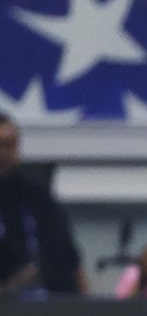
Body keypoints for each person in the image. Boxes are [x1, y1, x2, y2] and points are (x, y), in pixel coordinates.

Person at [0, 112, 87, 298]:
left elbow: (69, 257)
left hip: (50, 300)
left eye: (12, 145)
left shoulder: (37, 196)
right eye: (2, 145)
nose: (6, 153)